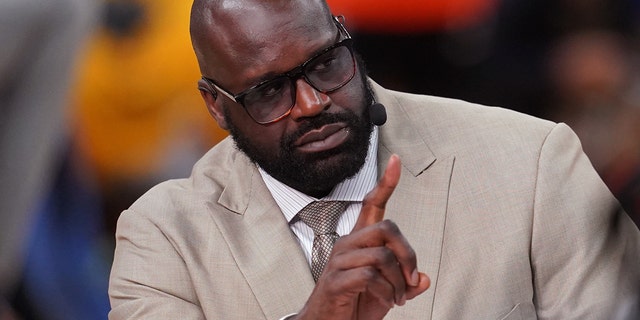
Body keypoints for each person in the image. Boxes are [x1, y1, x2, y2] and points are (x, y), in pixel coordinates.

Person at [108, 0, 640, 319]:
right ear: (216, 105)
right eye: (270, 91)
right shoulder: (164, 237)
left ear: (345, 36)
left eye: (324, 63)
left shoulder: (533, 161)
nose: (313, 103)